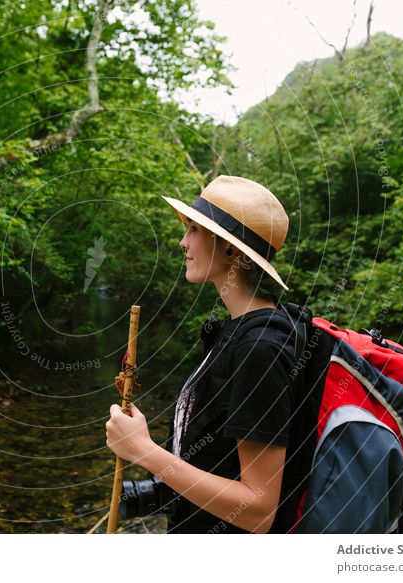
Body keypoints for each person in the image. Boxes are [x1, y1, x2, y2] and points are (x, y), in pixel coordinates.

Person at [106, 175, 314, 534]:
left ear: (231, 249)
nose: (182, 241)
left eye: (194, 231)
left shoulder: (260, 349)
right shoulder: (234, 331)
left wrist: (143, 450)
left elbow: (258, 510)